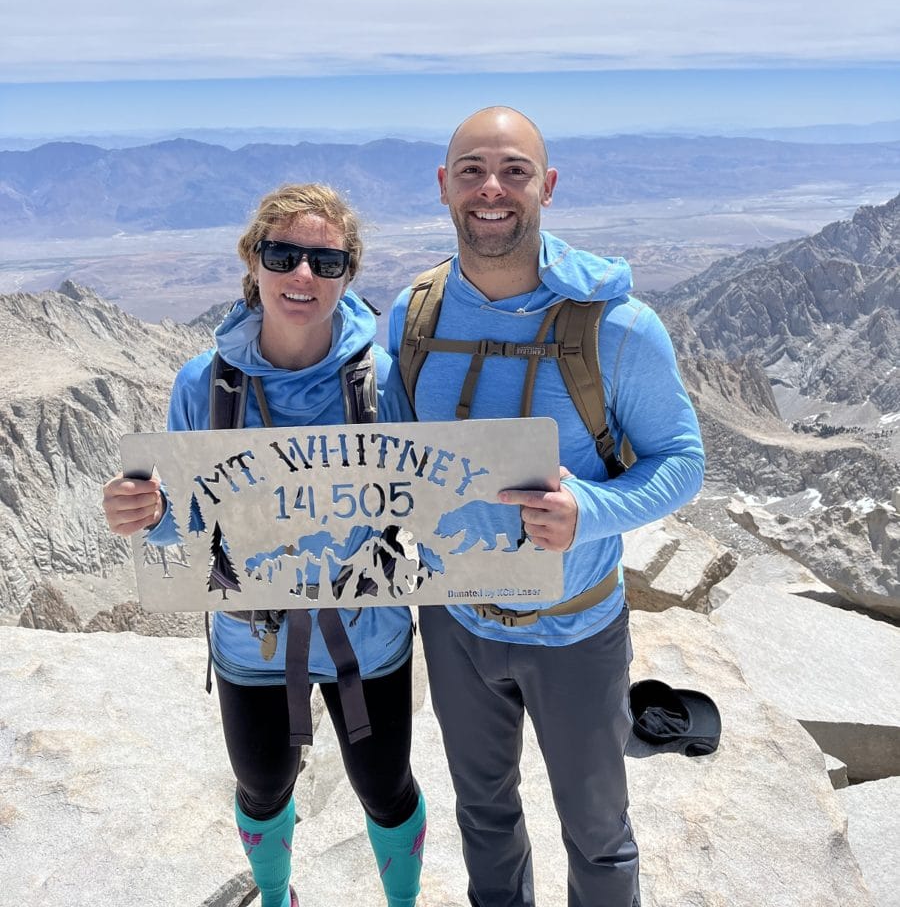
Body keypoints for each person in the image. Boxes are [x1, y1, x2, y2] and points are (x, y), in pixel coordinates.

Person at [388, 107, 705, 907]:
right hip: (456, 621)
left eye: (514, 171)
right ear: (443, 186)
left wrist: (589, 510)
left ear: (548, 187)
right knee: (484, 815)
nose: (491, 190)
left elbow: (684, 463)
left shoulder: (619, 328)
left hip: (575, 628)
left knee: (597, 833)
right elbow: (386, 454)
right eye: (471, 171)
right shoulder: (412, 317)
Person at [103, 183, 425, 907]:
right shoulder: (205, 385)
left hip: (365, 634)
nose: (303, 276)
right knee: (261, 784)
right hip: (254, 640)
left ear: (349, 272)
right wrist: (146, 512)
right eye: (283, 255)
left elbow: (423, 493)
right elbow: (189, 515)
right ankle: (277, 900)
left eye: (325, 260)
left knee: (384, 785)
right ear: (253, 262)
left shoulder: (381, 379)